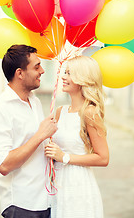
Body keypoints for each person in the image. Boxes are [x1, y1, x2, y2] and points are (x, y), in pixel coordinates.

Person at [0, 45, 58, 218]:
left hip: (46, 200)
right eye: (36, 66)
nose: (42, 71)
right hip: (22, 205)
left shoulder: (35, 101)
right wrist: (40, 135)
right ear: (20, 73)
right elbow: (4, 165)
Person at [45, 55, 109, 218]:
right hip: (57, 184)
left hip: (78, 185)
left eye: (69, 73)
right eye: (65, 72)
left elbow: (103, 158)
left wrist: (64, 157)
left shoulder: (89, 113)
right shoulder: (60, 111)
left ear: (83, 79)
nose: (63, 77)